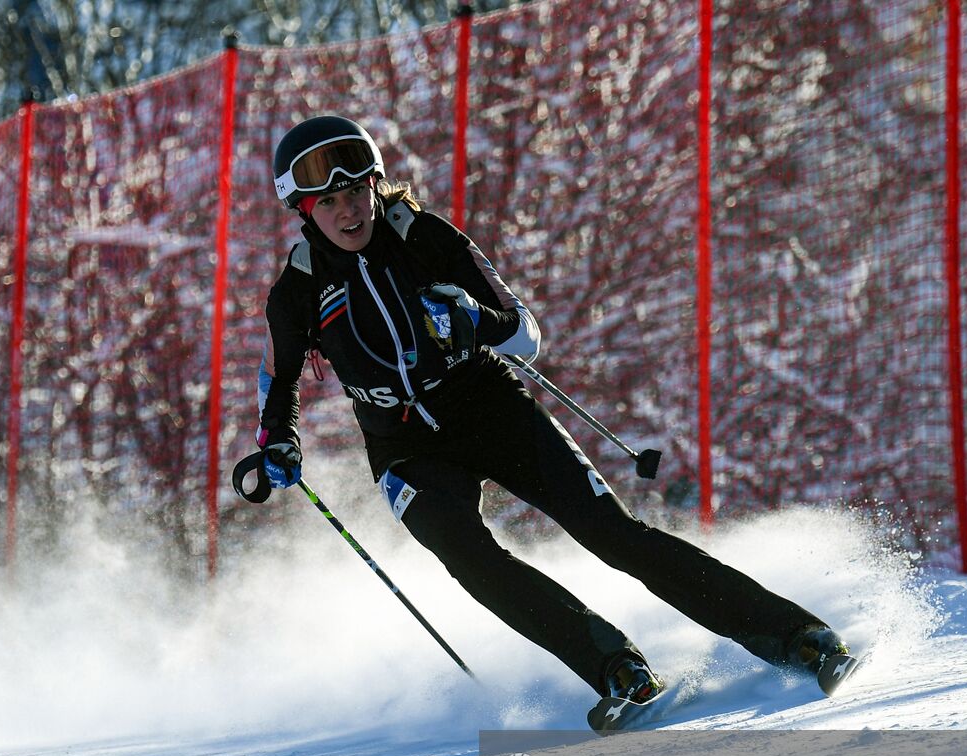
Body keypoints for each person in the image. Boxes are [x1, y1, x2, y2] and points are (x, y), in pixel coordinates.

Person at [254, 115, 846, 709]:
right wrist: (278, 440)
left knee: (612, 535)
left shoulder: (428, 237)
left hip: (488, 405)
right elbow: (278, 379)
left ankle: (795, 636)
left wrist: (475, 319)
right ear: (303, 210)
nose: (349, 211)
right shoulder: (298, 289)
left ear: (377, 186)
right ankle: (617, 669)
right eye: (328, 200)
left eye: (357, 191)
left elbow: (524, 334)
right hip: (403, 444)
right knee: (471, 560)